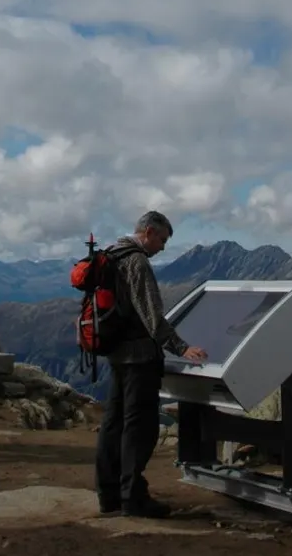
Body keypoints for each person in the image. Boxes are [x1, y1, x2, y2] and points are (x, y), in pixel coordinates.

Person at [94, 211, 208, 519]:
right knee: (139, 428)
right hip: (140, 358)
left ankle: (109, 494)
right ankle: (133, 497)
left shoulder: (111, 254)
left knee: (113, 423)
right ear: (147, 232)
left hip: (116, 354)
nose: (162, 247)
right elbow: (152, 317)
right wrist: (182, 348)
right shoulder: (137, 262)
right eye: (162, 239)